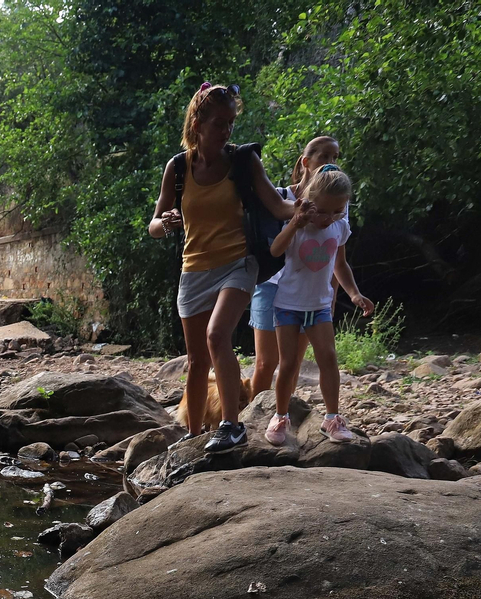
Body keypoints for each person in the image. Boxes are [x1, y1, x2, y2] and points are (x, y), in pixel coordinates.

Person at [149, 83, 296, 452]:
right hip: (194, 268)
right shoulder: (178, 167)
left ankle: (232, 425)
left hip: (238, 263)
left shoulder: (243, 161)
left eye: (231, 123)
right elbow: (153, 226)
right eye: (219, 123)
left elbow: (279, 208)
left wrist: (309, 208)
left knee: (217, 337)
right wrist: (166, 222)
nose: (227, 131)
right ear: (197, 123)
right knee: (197, 360)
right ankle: (194, 434)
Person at [263, 166, 375, 446]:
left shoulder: (340, 227)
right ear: (309, 202)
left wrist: (354, 293)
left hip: (320, 306)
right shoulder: (298, 225)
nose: (328, 218)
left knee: (329, 358)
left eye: (337, 211)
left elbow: (340, 264)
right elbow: (276, 250)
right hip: (288, 303)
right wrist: (294, 224)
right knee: (288, 364)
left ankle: (332, 417)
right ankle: (280, 415)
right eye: (322, 211)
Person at [249, 135, 349, 396]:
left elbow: (337, 257)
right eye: (323, 157)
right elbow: (273, 247)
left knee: (291, 364)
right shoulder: (281, 197)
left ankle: (283, 417)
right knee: (265, 362)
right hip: (272, 285)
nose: (330, 163)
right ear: (306, 161)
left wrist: (333, 294)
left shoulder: (339, 203)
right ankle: (250, 419)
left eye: (335, 158)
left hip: (310, 294)